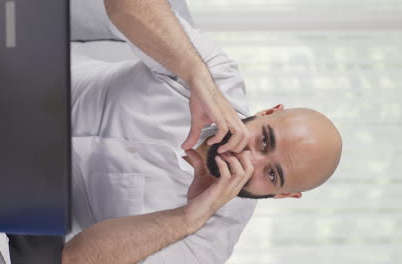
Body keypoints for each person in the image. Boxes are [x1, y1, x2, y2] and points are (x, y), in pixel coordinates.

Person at [62, 0, 343, 263]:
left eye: (271, 174)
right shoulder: (219, 78)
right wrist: (196, 75)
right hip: (31, 83)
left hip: (25, 199)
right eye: (265, 139)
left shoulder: (210, 242)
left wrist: (186, 217)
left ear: (282, 196)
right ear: (267, 112)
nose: (248, 158)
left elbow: (71, 259)